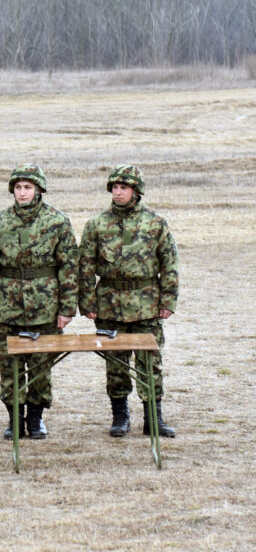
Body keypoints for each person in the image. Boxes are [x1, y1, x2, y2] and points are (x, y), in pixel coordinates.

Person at [0, 165, 78, 440]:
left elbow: (69, 267)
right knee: (9, 365)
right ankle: (14, 419)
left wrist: (67, 309)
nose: (22, 193)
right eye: (18, 187)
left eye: (28, 188)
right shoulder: (0, 222)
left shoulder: (57, 222)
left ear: (39, 190)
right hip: (8, 305)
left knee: (41, 365)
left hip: (45, 306)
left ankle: (36, 419)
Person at [79, 165, 178, 438]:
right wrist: (87, 302)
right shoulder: (97, 224)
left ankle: (153, 418)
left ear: (136, 191)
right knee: (115, 362)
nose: (118, 192)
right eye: (115, 187)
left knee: (150, 361)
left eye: (124, 188)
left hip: (146, 301)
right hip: (109, 303)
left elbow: (169, 263)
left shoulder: (155, 222)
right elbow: (85, 266)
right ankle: (120, 416)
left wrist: (168, 300)